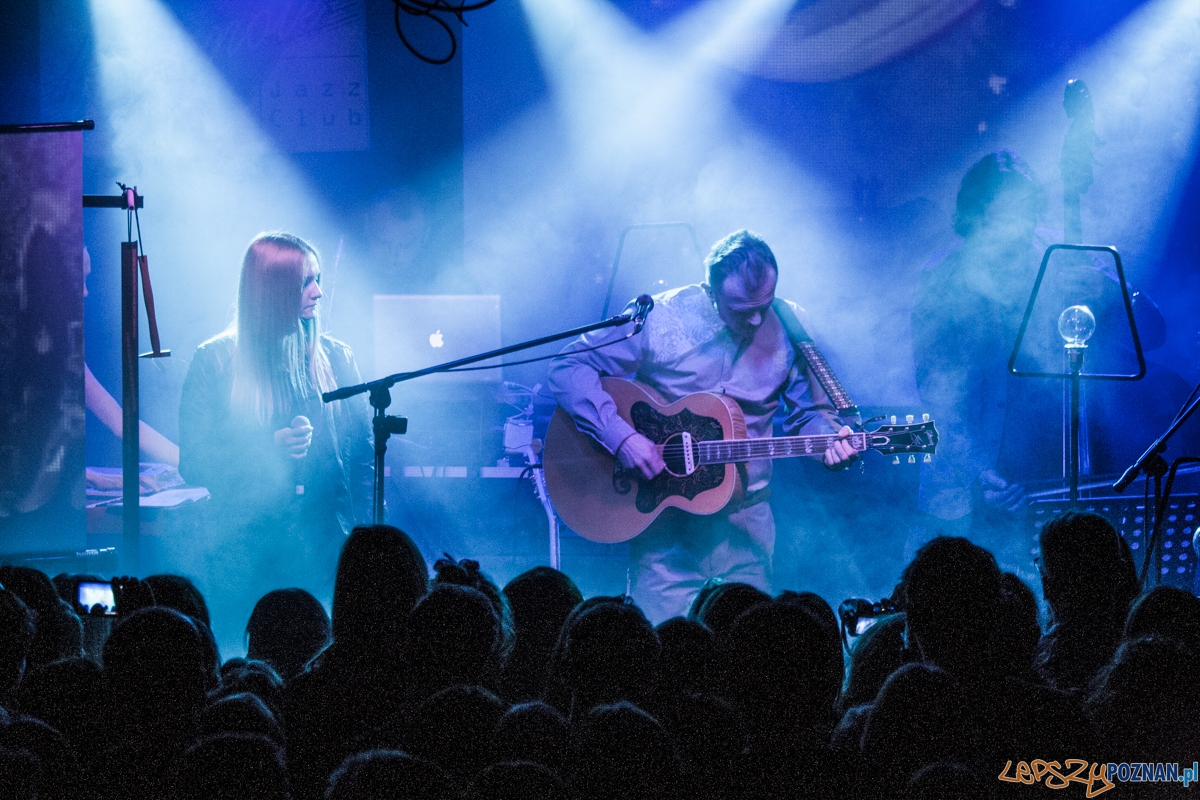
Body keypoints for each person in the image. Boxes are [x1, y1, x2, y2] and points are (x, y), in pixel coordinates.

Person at [548, 229, 856, 623]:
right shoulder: (660, 317)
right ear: (711, 293)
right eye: (741, 308)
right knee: (662, 657)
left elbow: (812, 414)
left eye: (764, 303)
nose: (757, 318)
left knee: (746, 655)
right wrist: (621, 438)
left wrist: (830, 443)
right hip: (666, 531)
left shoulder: (791, 324)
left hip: (747, 528)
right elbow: (568, 367)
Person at [178, 233, 372, 637]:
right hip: (246, 553)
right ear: (271, 289)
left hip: (325, 549)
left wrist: (362, 539)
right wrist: (265, 449)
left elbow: (362, 456)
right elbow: (194, 463)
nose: (318, 292)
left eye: (318, 278)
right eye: (305, 282)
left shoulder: (336, 357)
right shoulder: (215, 360)